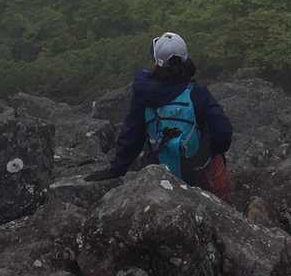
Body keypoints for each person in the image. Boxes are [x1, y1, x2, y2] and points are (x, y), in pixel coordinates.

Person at [85, 31, 234, 198]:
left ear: (157, 61)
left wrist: (117, 169)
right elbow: (223, 132)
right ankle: (222, 203)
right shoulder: (196, 93)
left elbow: (131, 135)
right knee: (216, 165)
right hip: (199, 169)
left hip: (163, 171)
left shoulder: (144, 95)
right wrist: (208, 153)